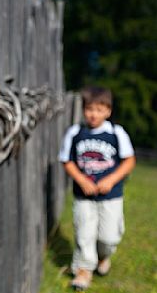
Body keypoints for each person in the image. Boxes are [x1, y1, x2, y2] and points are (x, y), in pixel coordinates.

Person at [58, 86, 136, 291]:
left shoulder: (116, 133)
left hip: (111, 196)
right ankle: (83, 269)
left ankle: (103, 255)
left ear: (108, 111)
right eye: (90, 109)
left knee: (109, 237)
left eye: (99, 109)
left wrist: (111, 180)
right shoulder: (76, 133)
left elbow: (129, 161)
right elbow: (67, 161)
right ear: (83, 109)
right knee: (84, 232)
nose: (94, 114)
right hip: (84, 196)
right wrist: (81, 180)